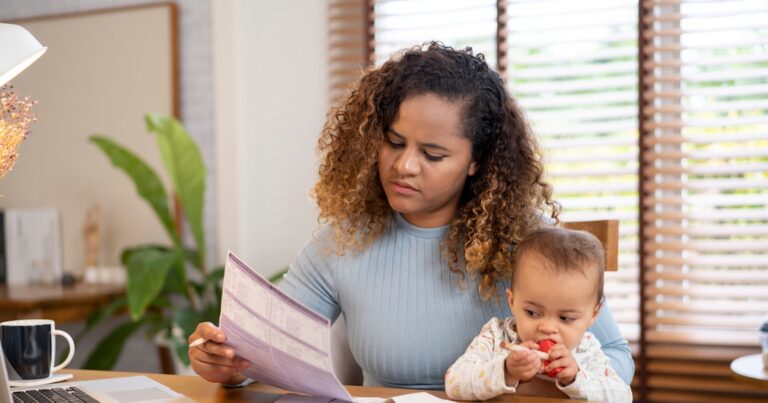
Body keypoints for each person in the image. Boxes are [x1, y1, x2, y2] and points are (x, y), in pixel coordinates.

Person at [188, 42, 633, 391]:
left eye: (433, 154)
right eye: (395, 142)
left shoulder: (529, 241)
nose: (404, 166)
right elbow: (266, 348)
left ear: (477, 160)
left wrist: (564, 375)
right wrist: (228, 362)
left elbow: (615, 357)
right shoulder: (342, 241)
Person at [444, 228, 632, 402]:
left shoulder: (586, 350)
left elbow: (623, 396)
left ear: (594, 314)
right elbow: (453, 384)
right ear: (512, 301)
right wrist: (506, 370)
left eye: (565, 318)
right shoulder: (497, 336)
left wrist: (575, 378)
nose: (548, 328)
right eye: (532, 313)